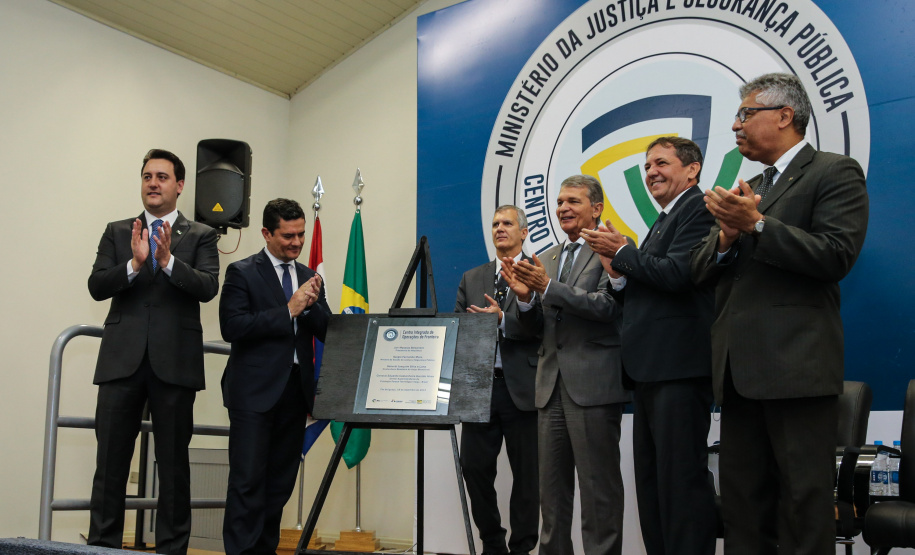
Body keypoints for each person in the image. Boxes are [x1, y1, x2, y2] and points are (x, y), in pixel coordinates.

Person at [690, 73, 868, 555]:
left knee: (802, 507)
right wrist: (728, 236)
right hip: (738, 375)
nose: (735, 125)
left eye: (746, 114)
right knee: (743, 508)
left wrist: (758, 225)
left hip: (795, 371)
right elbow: (699, 270)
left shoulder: (834, 171)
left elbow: (835, 255)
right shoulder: (747, 188)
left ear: (785, 116)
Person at [582, 137, 717, 555]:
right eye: (646, 166)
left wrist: (624, 252)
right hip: (651, 372)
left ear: (692, 169)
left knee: (680, 485)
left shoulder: (699, 209)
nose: (651, 172)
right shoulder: (664, 219)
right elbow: (648, 286)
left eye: (661, 163)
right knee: (653, 484)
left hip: (680, 369)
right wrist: (617, 273)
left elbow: (678, 275)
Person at [87, 149, 219, 554]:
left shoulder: (201, 235)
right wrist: (133, 263)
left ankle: (171, 549)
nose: (153, 183)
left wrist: (167, 261)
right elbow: (97, 285)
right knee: (110, 465)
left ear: (179, 185)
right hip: (120, 363)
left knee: (174, 467)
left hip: (174, 364)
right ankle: (102, 547)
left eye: (162, 177)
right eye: (147, 176)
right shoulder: (118, 231)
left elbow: (208, 287)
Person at [502, 175, 629, 555]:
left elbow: (609, 307)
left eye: (573, 201)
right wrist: (526, 300)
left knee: (598, 491)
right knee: (552, 494)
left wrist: (547, 288)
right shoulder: (547, 258)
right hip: (549, 387)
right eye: (559, 202)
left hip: (592, 387)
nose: (563, 208)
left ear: (597, 208)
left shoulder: (614, 246)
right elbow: (535, 327)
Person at [219, 198, 330, 555]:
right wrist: (288, 310)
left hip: (295, 394)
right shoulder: (242, 272)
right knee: (247, 483)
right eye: (288, 236)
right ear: (267, 233)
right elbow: (232, 326)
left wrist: (309, 308)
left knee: (279, 486)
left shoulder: (309, 276)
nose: (297, 243)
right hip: (253, 395)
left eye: (301, 235)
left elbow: (328, 331)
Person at [455, 205, 541, 555]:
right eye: (495, 224)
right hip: (481, 390)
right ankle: (493, 544)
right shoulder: (472, 278)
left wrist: (502, 320)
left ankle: (522, 548)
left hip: (524, 388)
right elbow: (459, 329)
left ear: (524, 232)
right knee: (473, 468)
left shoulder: (538, 271)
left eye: (507, 223)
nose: (500, 228)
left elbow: (541, 326)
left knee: (528, 476)